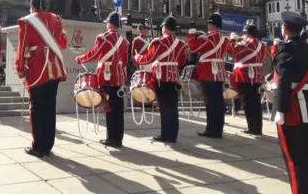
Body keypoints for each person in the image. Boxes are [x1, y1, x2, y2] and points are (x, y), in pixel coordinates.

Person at [15, 0, 68, 157]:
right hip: (55, 70)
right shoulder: (56, 19)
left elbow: (22, 48)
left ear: (32, 5)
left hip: (37, 70)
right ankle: (48, 145)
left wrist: (20, 69)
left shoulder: (27, 22)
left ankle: (38, 146)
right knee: (49, 108)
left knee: (37, 109)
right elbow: (63, 43)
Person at [273, 12, 308, 194]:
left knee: (292, 158)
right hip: (305, 106)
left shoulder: (285, 49)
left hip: (290, 106)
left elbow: (283, 80)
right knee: (307, 153)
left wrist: (281, 109)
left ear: (285, 29)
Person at [76, 11, 129, 148]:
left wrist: (80, 59)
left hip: (106, 77)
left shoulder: (103, 38)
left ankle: (111, 139)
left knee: (109, 108)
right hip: (118, 78)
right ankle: (119, 138)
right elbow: (124, 62)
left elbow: (94, 54)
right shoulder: (123, 42)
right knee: (118, 109)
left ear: (110, 24)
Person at [134, 14, 186, 143]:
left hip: (161, 77)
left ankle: (166, 135)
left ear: (165, 28)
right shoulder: (181, 44)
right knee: (173, 108)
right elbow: (182, 61)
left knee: (164, 107)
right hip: (174, 77)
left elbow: (149, 58)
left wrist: (137, 58)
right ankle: (172, 134)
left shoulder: (159, 42)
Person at [187, 12, 231, 138]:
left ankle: (211, 130)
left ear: (212, 24)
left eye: (209, 23)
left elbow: (193, 48)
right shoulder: (225, 40)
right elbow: (233, 52)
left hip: (208, 73)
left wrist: (191, 35)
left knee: (210, 103)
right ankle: (218, 129)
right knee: (218, 102)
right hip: (220, 73)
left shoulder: (207, 38)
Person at [227, 20, 267, 135]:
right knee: (256, 103)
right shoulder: (261, 45)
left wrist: (232, 40)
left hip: (246, 76)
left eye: (243, 34)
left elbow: (232, 52)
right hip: (258, 75)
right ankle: (257, 127)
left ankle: (252, 128)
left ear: (247, 34)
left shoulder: (247, 43)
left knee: (248, 103)